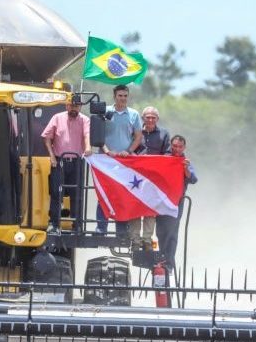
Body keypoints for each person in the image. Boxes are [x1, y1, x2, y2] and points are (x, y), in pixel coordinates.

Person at [96, 84, 143, 237]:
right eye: (120, 95)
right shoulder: (105, 112)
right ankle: (101, 228)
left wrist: (128, 151)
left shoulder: (134, 114)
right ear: (114, 96)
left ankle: (121, 230)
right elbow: (98, 135)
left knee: (122, 194)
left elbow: (138, 137)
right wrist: (108, 151)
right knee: (104, 193)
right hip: (106, 159)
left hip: (125, 160)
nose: (122, 98)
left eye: (125, 96)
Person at [42, 100, 91, 232]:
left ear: (80, 107)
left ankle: (77, 224)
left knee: (77, 193)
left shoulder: (85, 120)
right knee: (56, 192)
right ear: (67, 105)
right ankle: (54, 224)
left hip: (77, 162)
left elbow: (87, 134)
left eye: (76, 106)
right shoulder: (57, 118)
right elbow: (46, 137)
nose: (73, 108)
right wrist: (51, 156)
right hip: (59, 161)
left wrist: (88, 147)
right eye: (71, 105)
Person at [130, 106, 171, 250]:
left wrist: (154, 162)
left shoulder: (164, 134)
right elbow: (129, 149)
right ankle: (135, 241)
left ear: (157, 119)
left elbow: (168, 154)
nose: (151, 120)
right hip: (136, 177)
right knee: (135, 208)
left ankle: (147, 240)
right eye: (148, 117)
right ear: (143, 119)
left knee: (150, 209)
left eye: (153, 117)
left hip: (154, 178)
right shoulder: (135, 132)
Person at [156, 135, 197, 271]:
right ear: (170, 145)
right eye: (174, 146)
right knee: (161, 231)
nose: (177, 149)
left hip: (176, 202)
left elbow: (193, 179)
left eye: (180, 146)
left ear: (184, 147)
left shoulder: (185, 162)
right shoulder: (164, 159)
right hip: (162, 201)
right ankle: (160, 257)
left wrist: (185, 169)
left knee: (172, 232)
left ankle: (169, 262)